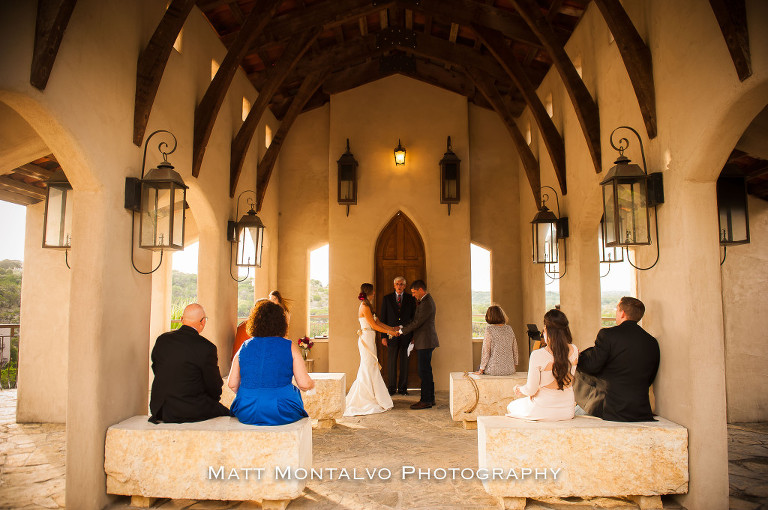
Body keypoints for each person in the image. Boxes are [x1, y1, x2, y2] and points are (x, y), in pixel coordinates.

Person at [228, 300, 314, 425]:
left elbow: (232, 384)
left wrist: (251, 394)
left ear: (254, 322)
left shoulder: (245, 346)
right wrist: (312, 384)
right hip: (281, 410)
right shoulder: (289, 346)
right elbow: (304, 384)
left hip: (246, 410)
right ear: (281, 323)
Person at [575, 296, 660, 422]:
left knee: (575, 412)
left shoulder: (608, 335)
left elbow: (592, 366)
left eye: (617, 310)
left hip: (612, 408)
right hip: (640, 410)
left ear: (623, 313)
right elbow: (650, 378)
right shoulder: (652, 342)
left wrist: (578, 357)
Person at [149, 303, 230, 423]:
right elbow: (214, 384)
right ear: (202, 322)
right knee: (229, 413)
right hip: (189, 409)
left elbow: (156, 368)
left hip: (160, 409)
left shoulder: (162, 340)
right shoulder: (206, 347)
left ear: (182, 320)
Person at [506, 309, 578, 421]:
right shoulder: (574, 349)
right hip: (567, 411)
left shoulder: (538, 355)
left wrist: (519, 389)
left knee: (511, 406)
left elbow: (531, 390)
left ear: (546, 330)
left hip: (542, 409)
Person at [344, 283, 398, 416]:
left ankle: (374, 395)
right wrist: (390, 333)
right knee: (369, 367)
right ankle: (367, 398)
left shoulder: (369, 306)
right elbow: (373, 325)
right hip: (366, 339)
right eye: (373, 292)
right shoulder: (364, 306)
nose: (374, 294)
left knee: (370, 366)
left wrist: (392, 328)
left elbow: (378, 322)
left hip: (370, 338)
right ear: (369, 292)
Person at [400, 280, 439, 410]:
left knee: (424, 371)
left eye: (414, 292)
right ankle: (430, 398)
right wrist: (414, 337)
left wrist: (401, 331)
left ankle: (426, 400)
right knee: (426, 371)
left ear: (421, 290)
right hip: (424, 340)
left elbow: (417, 322)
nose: (413, 295)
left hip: (426, 341)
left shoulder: (427, 303)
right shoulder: (425, 301)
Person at [379, 276, 417, 395]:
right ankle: (391, 388)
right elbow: (383, 318)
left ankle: (402, 389)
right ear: (394, 285)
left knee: (404, 362)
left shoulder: (411, 299)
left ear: (405, 286)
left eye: (401, 284)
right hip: (391, 336)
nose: (399, 286)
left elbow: (414, 318)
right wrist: (383, 336)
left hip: (406, 335)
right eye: (397, 284)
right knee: (391, 362)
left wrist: (413, 335)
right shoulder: (387, 299)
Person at [474, 305, 519, 376]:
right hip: (510, 369)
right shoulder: (509, 329)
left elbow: (486, 352)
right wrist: (514, 365)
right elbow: (515, 349)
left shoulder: (489, 330)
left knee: (478, 367)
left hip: (493, 370)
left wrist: (481, 370)